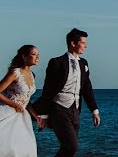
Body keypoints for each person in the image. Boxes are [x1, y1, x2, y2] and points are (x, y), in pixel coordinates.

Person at [29, 28, 100, 157]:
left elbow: (87, 88)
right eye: (83, 43)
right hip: (58, 109)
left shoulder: (84, 63)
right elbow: (48, 90)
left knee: (69, 148)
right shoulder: (56, 62)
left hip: (76, 110)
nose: (86, 46)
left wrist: (94, 111)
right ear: (73, 43)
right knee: (71, 145)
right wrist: (44, 114)